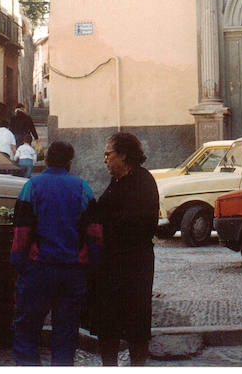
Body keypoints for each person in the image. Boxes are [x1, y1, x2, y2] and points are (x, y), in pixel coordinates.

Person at [11, 141, 95, 366]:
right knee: (66, 335)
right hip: (72, 272)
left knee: (27, 331)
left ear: (46, 160)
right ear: (70, 162)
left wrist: (18, 266)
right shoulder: (83, 187)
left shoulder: (31, 186)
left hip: (37, 271)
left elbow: (21, 233)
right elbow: (95, 234)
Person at [88, 132, 159, 366]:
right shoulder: (116, 181)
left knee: (136, 321)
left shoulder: (143, 181)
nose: (105, 159)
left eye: (109, 154)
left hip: (135, 264)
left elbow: (144, 223)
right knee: (108, 322)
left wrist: (106, 227)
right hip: (110, 265)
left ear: (124, 155)